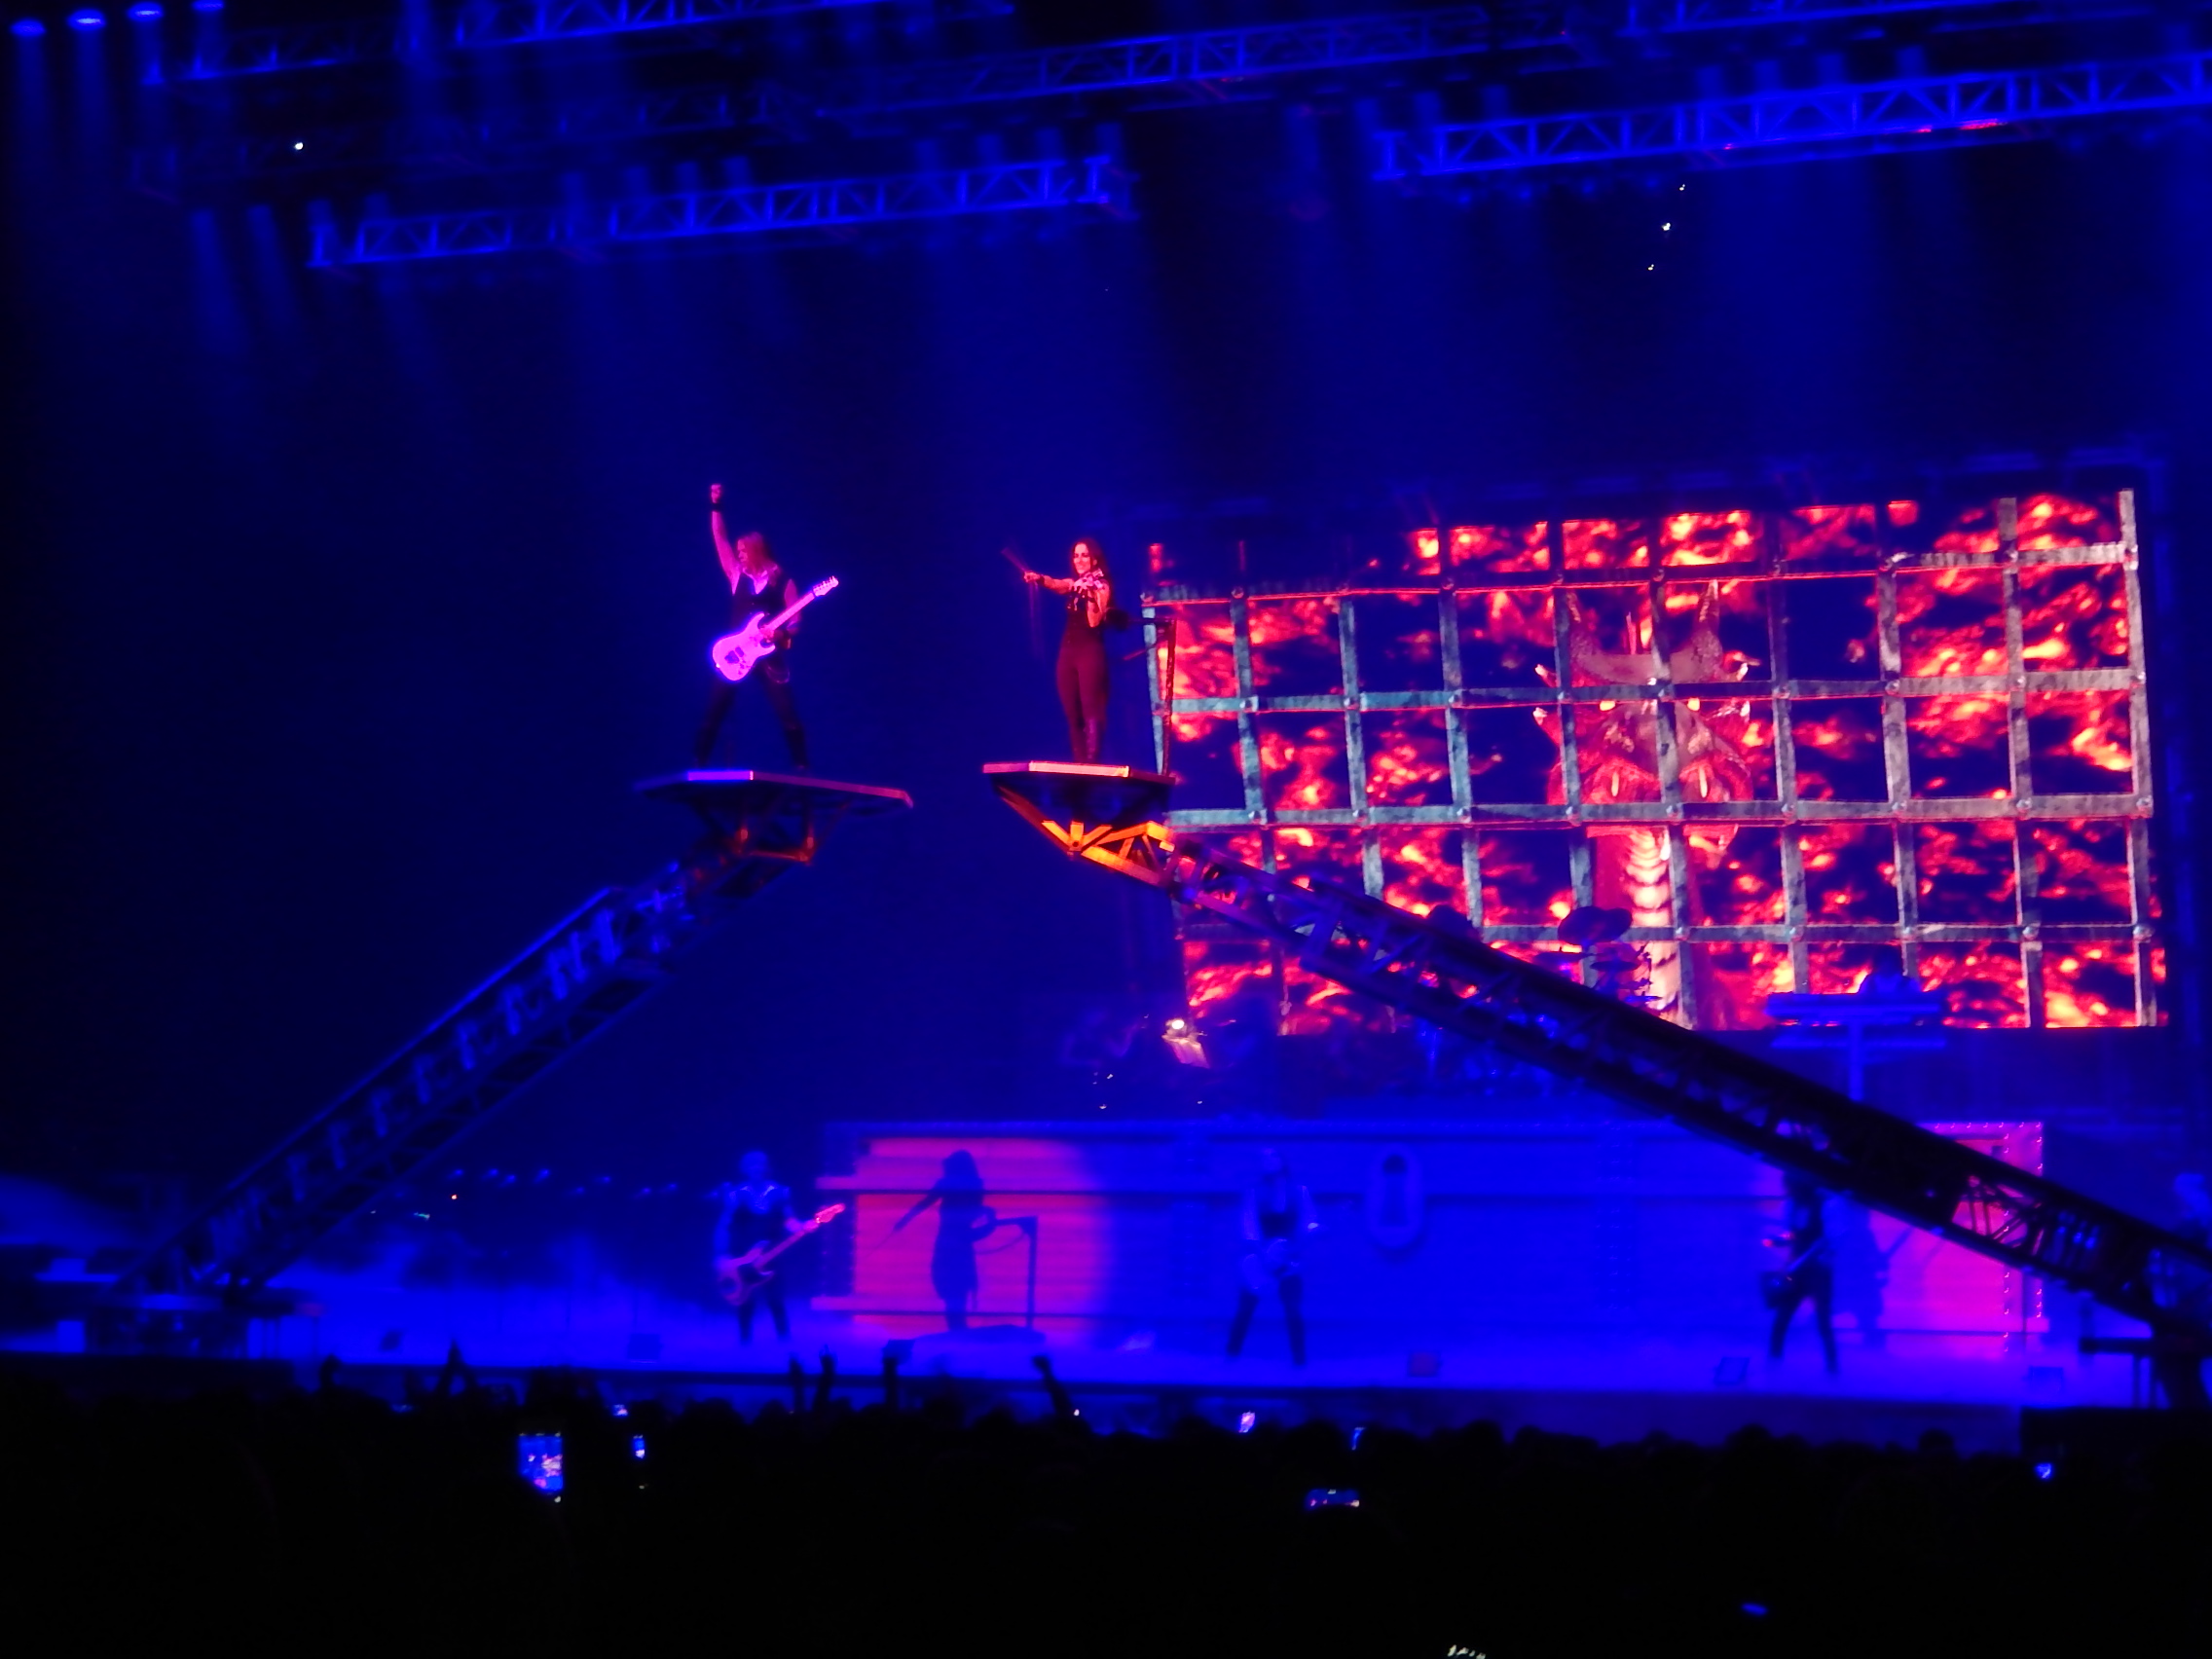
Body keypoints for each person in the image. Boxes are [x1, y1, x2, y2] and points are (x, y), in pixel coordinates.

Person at [694, 483, 809, 770]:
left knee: (787, 711)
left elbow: (796, 621)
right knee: (715, 709)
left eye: (744, 551)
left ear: (757, 551)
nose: (740, 555)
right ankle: (698, 763)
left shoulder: (783, 581)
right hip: (735, 652)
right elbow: (720, 539)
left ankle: (802, 767)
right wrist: (716, 506)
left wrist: (781, 633)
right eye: (739, 551)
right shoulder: (737, 575)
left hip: (768, 655)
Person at [1024, 536, 1117, 764]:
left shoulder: (1101, 585)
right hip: (1068, 652)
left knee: (1090, 708)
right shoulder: (1075, 583)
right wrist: (1039, 578)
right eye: (1076, 556)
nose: (1079, 560)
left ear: (1094, 559)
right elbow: (1059, 584)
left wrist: (1089, 595)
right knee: (1071, 711)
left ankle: (1092, 762)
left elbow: (1094, 621)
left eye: (1084, 555)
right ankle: (1079, 760)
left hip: (1089, 652)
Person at [1228, 1148, 1318, 1366]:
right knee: (1245, 1309)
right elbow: (1249, 1227)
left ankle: (1300, 1364)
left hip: (1289, 1263)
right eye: (1264, 1159)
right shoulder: (1255, 1194)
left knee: (1293, 1310)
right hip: (1260, 1263)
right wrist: (1263, 1256)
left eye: (1272, 1157)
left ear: (1282, 1161)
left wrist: (1301, 1243)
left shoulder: (1299, 1192)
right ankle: (1230, 1358)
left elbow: (1309, 1223)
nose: (1268, 1162)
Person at [891, 1150, 996, 1333]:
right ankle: (957, 1331)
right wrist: (905, 1219)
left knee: (954, 1290)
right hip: (955, 1243)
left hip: (953, 1243)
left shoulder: (963, 1185)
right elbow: (927, 1202)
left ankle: (957, 1331)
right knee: (955, 1291)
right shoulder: (965, 1184)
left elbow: (926, 1202)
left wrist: (905, 1220)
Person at [714, 1151, 803, 1344]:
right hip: (743, 1256)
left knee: (776, 1300)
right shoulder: (736, 1194)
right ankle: (745, 1344)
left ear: (766, 1167)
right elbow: (724, 1225)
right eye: (751, 1165)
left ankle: (785, 1344)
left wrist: (800, 1227)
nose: (756, 1168)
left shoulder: (779, 1192)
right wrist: (721, 1253)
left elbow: (789, 1219)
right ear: (744, 1169)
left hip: (772, 1254)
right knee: (745, 1300)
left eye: (760, 1164)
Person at [1766, 1172, 1839, 1374]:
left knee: (1823, 1320)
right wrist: (1777, 1241)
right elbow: (1792, 1234)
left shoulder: (1825, 1204)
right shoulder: (1793, 1205)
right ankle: (1773, 1362)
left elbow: (1835, 1238)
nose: (1787, 1191)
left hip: (1818, 1272)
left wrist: (1825, 1249)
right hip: (1796, 1271)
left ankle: (1832, 1367)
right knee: (1783, 1315)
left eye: (1790, 1187)